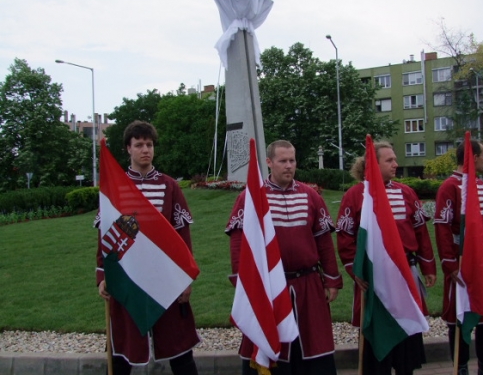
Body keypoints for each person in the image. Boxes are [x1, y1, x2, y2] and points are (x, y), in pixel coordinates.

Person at [225, 140, 343, 375]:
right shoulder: (252, 198)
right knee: (273, 347)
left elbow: (323, 241)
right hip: (269, 287)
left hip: (308, 284)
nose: (289, 166)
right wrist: (243, 281)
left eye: (292, 160)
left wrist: (331, 279)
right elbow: (239, 243)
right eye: (282, 161)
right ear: (269, 162)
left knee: (314, 347)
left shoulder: (311, 196)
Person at [95, 121, 200, 375]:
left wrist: (185, 279)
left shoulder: (169, 186)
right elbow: (105, 237)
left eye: (149, 144)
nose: (145, 150)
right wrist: (102, 275)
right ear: (128, 148)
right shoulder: (115, 188)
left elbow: (182, 235)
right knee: (123, 351)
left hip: (165, 278)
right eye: (139, 145)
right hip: (128, 278)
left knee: (180, 350)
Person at [336, 142, 437, 375]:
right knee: (376, 340)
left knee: (407, 335)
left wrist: (428, 266)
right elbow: (345, 237)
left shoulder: (406, 193)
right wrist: (355, 270)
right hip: (374, 278)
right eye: (389, 160)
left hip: (405, 273)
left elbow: (420, 232)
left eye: (395, 159)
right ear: (373, 164)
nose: (396, 164)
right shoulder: (355, 195)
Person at [434, 140, 483, 375]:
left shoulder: (482, 186)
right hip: (463, 260)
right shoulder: (450, 187)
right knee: (461, 315)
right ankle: (461, 367)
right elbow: (442, 226)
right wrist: (449, 262)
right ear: (473, 157)